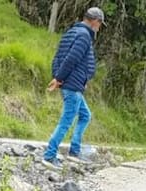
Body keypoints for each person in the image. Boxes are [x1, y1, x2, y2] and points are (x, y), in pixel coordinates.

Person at [42, 7, 104, 169]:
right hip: (72, 85)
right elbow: (71, 59)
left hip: (70, 83)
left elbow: (58, 57)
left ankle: (74, 152)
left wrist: (58, 76)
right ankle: (49, 156)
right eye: (100, 24)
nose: (99, 27)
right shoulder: (84, 36)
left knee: (85, 115)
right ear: (95, 21)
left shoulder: (71, 33)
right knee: (66, 121)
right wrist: (59, 79)